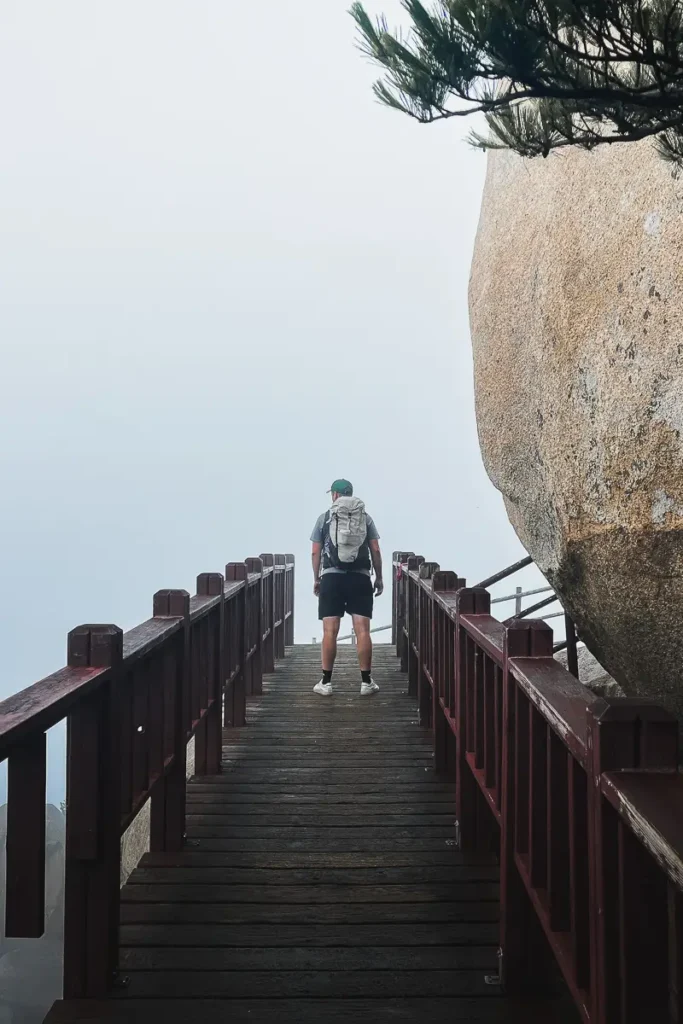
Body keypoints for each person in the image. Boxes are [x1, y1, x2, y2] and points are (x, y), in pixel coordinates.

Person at [310, 479, 383, 696]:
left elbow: (315, 552)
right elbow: (376, 549)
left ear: (334, 495)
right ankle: (366, 682)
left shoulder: (324, 518)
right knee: (363, 630)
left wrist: (317, 578)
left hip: (331, 577)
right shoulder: (365, 518)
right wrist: (379, 577)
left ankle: (326, 682)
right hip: (360, 578)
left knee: (330, 631)